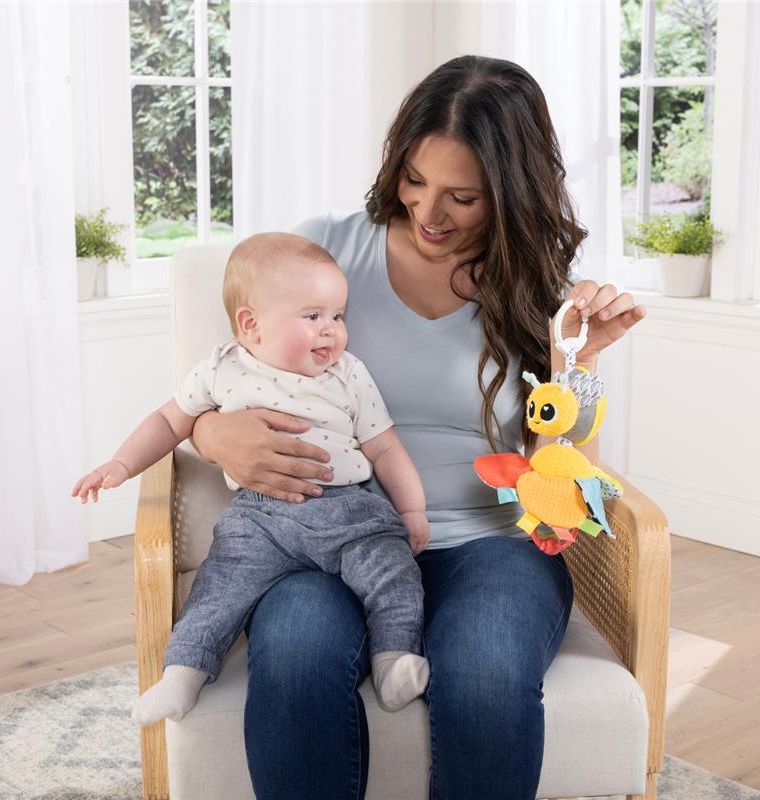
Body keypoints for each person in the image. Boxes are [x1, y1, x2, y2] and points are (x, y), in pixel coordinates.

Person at [191, 55, 647, 800]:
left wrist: (580, 360)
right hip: (327, 536)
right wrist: (212, 433)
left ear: (511, 191)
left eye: (462, 197)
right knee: (299, 656)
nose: (428, 213)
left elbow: (562, 483)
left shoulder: (541, 287)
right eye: (414, 180)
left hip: (490, 544)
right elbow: (217, 384)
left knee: (486, 674)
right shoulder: (325, 251)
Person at [71, 233, 432, 721]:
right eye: (313, 316)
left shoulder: (348, 374)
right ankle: (182, 673)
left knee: (394, 573)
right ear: (250, 324)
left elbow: (384, 446)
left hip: (348, 509)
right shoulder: (221, 369)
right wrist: (120, 464)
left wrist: (411, 510)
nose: (331, 331)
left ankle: (394, 660)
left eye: (338, 316)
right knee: (219, 587)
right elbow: (169, 422)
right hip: (260, 517)